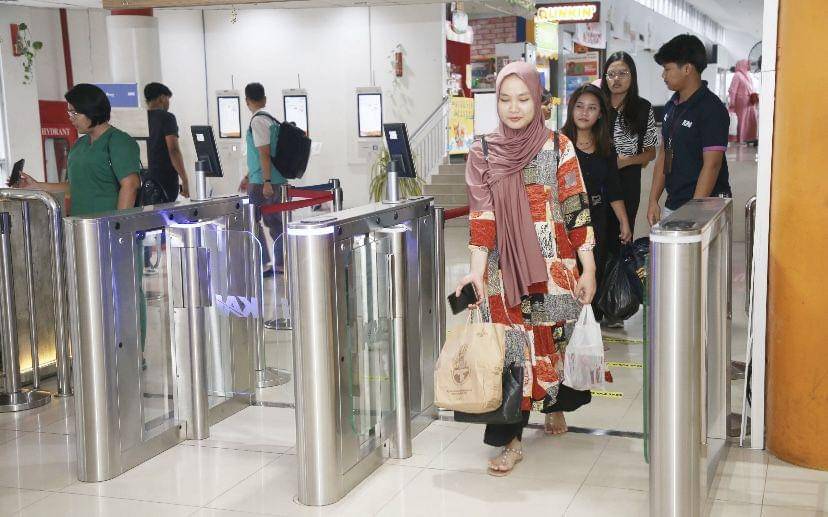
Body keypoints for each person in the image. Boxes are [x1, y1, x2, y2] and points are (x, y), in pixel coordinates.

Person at [459, 62, 597, 477]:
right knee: (512, 355)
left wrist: (587, 267)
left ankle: (555, 404)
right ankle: (511, 441)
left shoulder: (559, 146)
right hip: (506, 273)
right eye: (504, 99)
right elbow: (482, 218)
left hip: (554, 269)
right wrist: (476, 274)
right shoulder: (483, 151)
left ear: (539, 100)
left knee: (551, 343)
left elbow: (575, 208)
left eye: (523, 99)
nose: (513, 108)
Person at [562, 84, 632, 322]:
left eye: (592, 108)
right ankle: (569, 323)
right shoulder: (559, 144)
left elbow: (614, 188)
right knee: (569, 271)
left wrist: (624, 221)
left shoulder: (605, 147)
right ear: (571, 109)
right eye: (579, 107)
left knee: (594, 270)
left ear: (601, 113)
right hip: (566, 220)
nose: (584, 113)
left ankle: (588, 326)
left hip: (597, 218)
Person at [17, 83, 141, 215]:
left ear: (92, 110)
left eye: (74, 113)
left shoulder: (119, 141)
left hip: (107, 225)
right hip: (80, 225)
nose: (70, 118)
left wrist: (119, 226)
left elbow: (130, 185)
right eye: (69, 112)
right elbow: (73, 187)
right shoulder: (79, 145)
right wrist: (38, 186)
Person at [647, 34, 732, 225]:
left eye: (667, 69)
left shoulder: (711, 109)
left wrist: (693, 214)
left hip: (707, 207)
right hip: (675, 202)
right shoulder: (672, 106)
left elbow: (712, 165)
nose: (663, 76)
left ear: (687, 69)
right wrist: (653, 200)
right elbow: (665, 154)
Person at [601, 51, 658, 235]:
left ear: (632, 76)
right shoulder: (597, 105)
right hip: (597, 180)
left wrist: (627, 161)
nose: (616, 78)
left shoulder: (643, 108)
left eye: (623, 73)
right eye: (611, 74)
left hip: (627, 182)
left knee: (622, 236)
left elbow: (651, 152)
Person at [238, 82, 286, 275]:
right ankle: (280, 262)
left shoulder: (257, 122)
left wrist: (265, 182)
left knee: (251, 220)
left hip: (263, 182)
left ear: (247, 101)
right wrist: (247, 176)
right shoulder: (271, 120)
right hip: (272, 178)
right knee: (274, 222)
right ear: (264, 99)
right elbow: (264, 155)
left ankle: (265, 262)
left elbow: (264, 153)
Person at [144, 82, 189, 202]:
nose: (168, 103)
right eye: (168, 99)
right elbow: (173, 150)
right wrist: (184, 179)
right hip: (165, 179)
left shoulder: (142, 118)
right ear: (162, 98)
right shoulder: (167, 118)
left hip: (146, 180)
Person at [728, 59, 758, 144]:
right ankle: (741, 139)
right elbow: (733, 90)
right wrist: (732, 103)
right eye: (747, 64)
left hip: (750, 102)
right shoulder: (737, 75)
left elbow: (751, 88)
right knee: (742, 121)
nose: (749, 66)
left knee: (752, 120)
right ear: (743, 64)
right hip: (741, 103)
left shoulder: (748, 75)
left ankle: (750, 138)